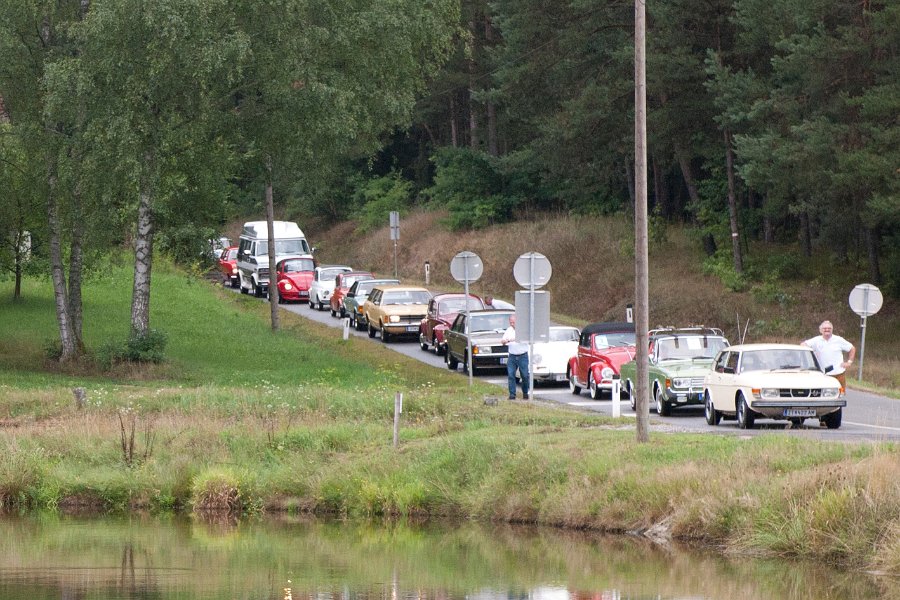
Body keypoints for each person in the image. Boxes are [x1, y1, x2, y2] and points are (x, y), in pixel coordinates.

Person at [802, 320, 856, 388]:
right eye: (824, 328)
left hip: (839, 374)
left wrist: (849, 362)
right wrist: (812, 353)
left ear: (832, 330)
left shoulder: (838, 340)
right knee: (824, 395)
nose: (827, 330)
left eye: (829, 328)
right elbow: (803, 345)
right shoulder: (816, 340)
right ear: (820, 330)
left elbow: (852, 348)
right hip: (823, 375)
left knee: (840, 394)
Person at [501, 315, 529, 400]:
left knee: (524, 375)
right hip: (512, 356)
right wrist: (504, 341)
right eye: (511, 322)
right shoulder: (508, 330)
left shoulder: (523, 329)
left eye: (514, 322)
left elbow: (520, 339)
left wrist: (510, 340)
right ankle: (512, 394)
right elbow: (503, 340)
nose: (512, 324)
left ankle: (525, 392)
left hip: (522, 355)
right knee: (511, 375)